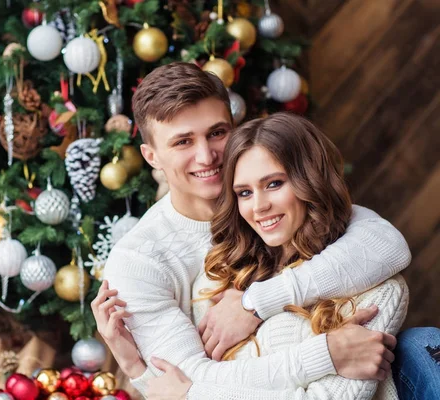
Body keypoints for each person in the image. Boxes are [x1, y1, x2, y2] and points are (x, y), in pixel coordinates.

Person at [91, 63, 412, 399]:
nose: (207, 156)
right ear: (151, 156)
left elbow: (387, 245)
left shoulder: (280, 216)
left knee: (420, 346)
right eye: (183, 142)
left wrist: (254, 303)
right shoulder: (139, 261)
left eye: (216, 133)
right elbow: (182, 382)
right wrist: (326, 355)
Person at [154, 112, 409, 399]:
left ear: (310, 181)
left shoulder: (379, 290)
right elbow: (183, 378)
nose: (259, 206)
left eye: (274, 184)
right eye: (244, 193)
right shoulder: (221, 278)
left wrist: (196, 396)